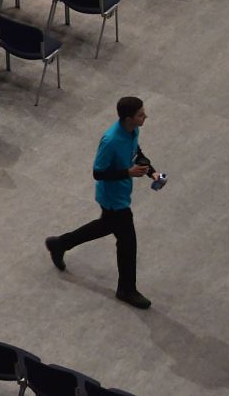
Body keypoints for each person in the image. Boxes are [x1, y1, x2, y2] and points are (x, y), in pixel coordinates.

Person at [46, 96, 155, 309]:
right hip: (113, 199)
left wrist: (151, 171)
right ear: (128, 118)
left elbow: (136, 153)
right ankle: (126, 289)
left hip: (121, 194)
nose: (145, 116)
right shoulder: (111, 140)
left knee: (105, 226)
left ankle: (60, 244)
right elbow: (98, 172)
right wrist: (127, 172)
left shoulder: (133, 131)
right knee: (127, 244)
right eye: (141, 114)